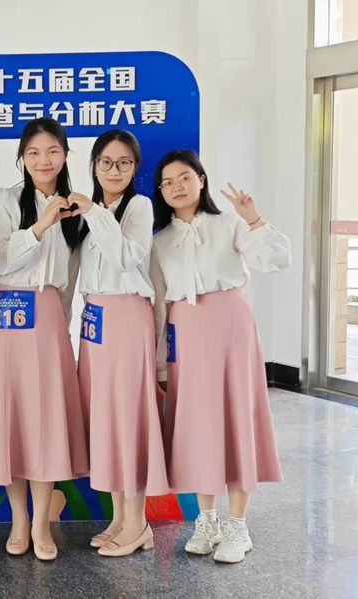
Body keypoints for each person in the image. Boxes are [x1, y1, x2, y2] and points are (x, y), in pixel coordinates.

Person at [150, 149, 291, 563]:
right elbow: (159, 304)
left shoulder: (230, 224)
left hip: (231, 328)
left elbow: (277, 258)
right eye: (167, 182)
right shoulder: (160, 240)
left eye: (184, 177)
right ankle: (207, 520)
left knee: (236, 420)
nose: (176, 187)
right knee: (198, 426)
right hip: (186, 332)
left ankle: (238, 526)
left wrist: (254, 218)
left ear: (201, 179)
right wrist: (160, 362)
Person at [0, 117, 89, 561]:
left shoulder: (79, 209)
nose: (44, 161)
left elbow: (71, 277)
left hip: (45, 317)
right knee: (10, 420)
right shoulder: (5, 199)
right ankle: (19, 519)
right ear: (22, 158)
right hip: (4, 314)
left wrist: (61, 324)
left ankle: (42, 522)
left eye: (52, 151)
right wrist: (41, 225)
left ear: (65, 155)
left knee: (44, 421)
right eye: (34, 153)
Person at [70, 130, 170, 557]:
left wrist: (94, 212)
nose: (115, 170)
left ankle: (138, 522)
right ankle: (119, 517)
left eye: (124, 162)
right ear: (94, 165)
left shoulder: (138, 206)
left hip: (127, 316)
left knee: (128, 417)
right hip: (94, 319)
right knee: (106, 417)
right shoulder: (87, 213)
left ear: (135, 167)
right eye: (106, 162)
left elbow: (126, 257)